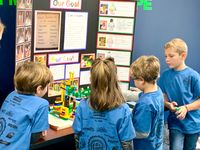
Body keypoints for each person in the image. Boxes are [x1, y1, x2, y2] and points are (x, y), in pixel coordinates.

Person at [72, 57, 135, 150]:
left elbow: (77, 136)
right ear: (114, 80)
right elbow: (127, 143)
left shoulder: (82, 105)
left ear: (91, 80)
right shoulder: (123, 109)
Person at [0, 62, 53, 149]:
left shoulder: (11, 95)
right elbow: (33, 138)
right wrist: (40, 131)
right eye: (47, 86)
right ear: (39, 89)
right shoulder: (42, 104)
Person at [158, 38, 200, 150]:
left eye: (171, 56)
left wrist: (186, 108)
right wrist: (168, 104)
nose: (167, 59)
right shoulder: (165, 75)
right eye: (165, 56)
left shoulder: (193, 76)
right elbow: (163, 96)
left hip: (193, 123)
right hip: (175, 123)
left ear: (183, 56)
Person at [130, 55, 164, 150]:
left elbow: (141, 133)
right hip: (156, 143)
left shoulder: (145, 104)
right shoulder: (157, 91)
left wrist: (123, 129)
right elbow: (141, 95)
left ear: (141, 80)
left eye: (134, 79)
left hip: (145, 146)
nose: (133, 81)